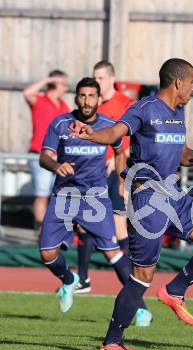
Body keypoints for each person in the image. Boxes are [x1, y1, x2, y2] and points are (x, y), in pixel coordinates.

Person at [74, 58, 193, 350]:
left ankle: (175, 290)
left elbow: (182, 155)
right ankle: (111, 342)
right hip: (148, 199)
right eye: (192, 81)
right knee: (142, 276)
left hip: (174, 193)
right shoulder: (144, 108)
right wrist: (93, 134)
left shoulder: (178, 112)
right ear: (178, 82)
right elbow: (116, 132)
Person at [39, 77, 151, 326]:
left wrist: (122, 181)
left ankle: (141, 308)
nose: (86, 101)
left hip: (95, 200)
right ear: (76, 98)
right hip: (64, 197)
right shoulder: (61, 124)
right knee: (47, 253)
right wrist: (57, 165)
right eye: (82, 95)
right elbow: (44, 156)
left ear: (99, 99)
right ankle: (69, 280)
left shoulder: (108, 126)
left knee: (113, 253)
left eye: (91, 96)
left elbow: (121, 150)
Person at [72, 61, 137, 295]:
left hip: (115, 171)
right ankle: (83, 278)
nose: (96, 81)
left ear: (111, 78)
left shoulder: (126, 103)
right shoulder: (92, 104)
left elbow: (133, 134)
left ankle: (133, 282)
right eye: (94, 77)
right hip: (91, 173)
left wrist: (119, 157)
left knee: (120, 226)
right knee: (83, 223)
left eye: (100, 78)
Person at [23, 70, 70, 230]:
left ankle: (53, 230)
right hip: (40, 154)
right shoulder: (40, 100)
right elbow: (27, 92)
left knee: (57, 195)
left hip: (60, 156)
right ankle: (42, 230)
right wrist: (47, 79)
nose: (66, 87)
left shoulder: (64, 106)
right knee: (42, 195)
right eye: (64, 83)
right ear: (55, 83)